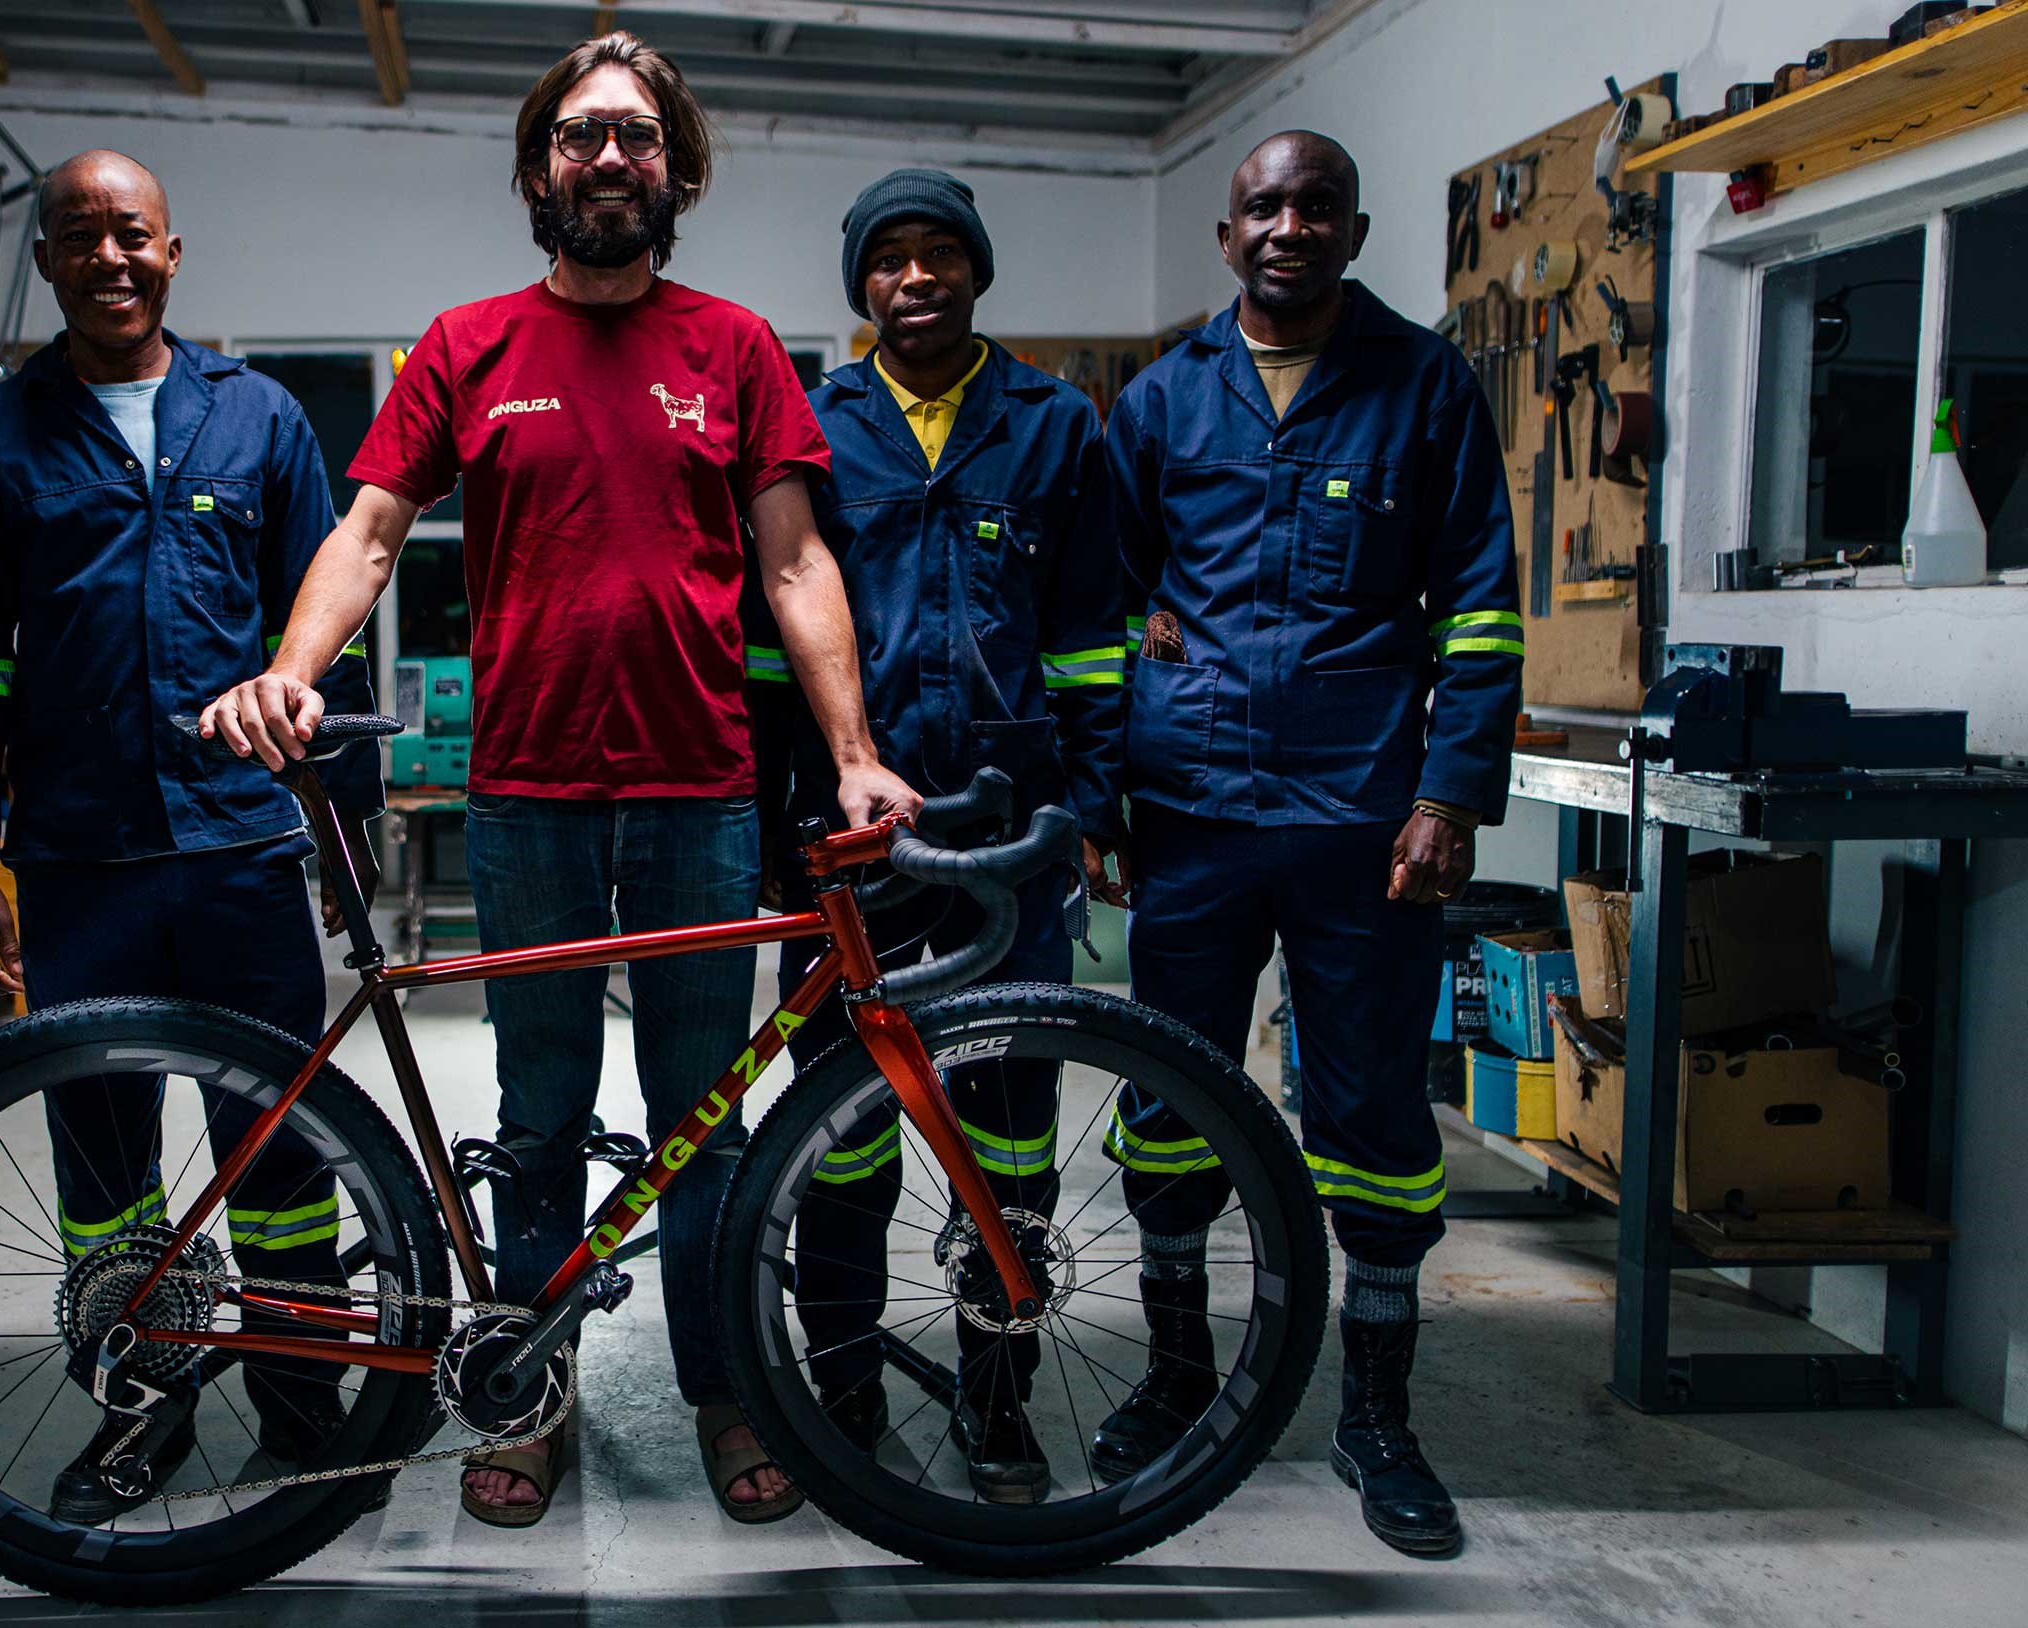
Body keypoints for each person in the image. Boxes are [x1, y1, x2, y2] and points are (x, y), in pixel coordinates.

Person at [199, 32, 918, 1528]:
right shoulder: (467, 345)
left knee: (702, 1117)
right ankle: (528, 1390)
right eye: (583, 137)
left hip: (699, 791)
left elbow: (796, 559)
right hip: (525, 794)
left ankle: (730, 1390)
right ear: (538, 170)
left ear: (677, 170)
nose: (609, 159)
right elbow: (373, 532)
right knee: (537, 1114)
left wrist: (851, 758)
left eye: (637, 139)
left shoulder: (736, 348)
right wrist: (292, 666)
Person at [0, 149, 382, 1524]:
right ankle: (141, 1411)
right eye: (79, 238)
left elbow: (326, 639)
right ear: (50, 261)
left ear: (172, 253)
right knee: (106, 1165)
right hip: (79, 860)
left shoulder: (259, 421)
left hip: (243, 850)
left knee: (283, 1150)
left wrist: (345, 840)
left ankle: (304, 1412)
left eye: (131, 236)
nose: (108, 258)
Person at [1096, 131, 1521, 1557]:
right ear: (1226, 237)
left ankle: (1377, 1418)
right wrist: (1106, 790)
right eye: (1263, 207)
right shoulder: (1159, 402)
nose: (1288, 226)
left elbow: (1478, 605)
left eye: (1315, 206)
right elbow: (1108, 604)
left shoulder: (1428, 387)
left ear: (1353, 228)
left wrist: (1452, 793)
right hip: (1196, 812)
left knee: (1377, 1123)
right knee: (1170, 1101)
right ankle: (1174, 1378)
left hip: (1364, 818)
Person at [752, 169, 1130, 1505]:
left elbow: (1091, 639)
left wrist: (1088, 801)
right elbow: (768, 638)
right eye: (890, 259)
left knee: (1010, 1133)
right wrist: (768, 818)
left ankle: (997, 1397)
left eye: (939, 256)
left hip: (1010, 837)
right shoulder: (807, 425)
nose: (916, 279)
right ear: (861, 284)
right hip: (850, 840)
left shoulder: (1052, 428)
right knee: (841, 1131)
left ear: (976, 272)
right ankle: (843, 1385)